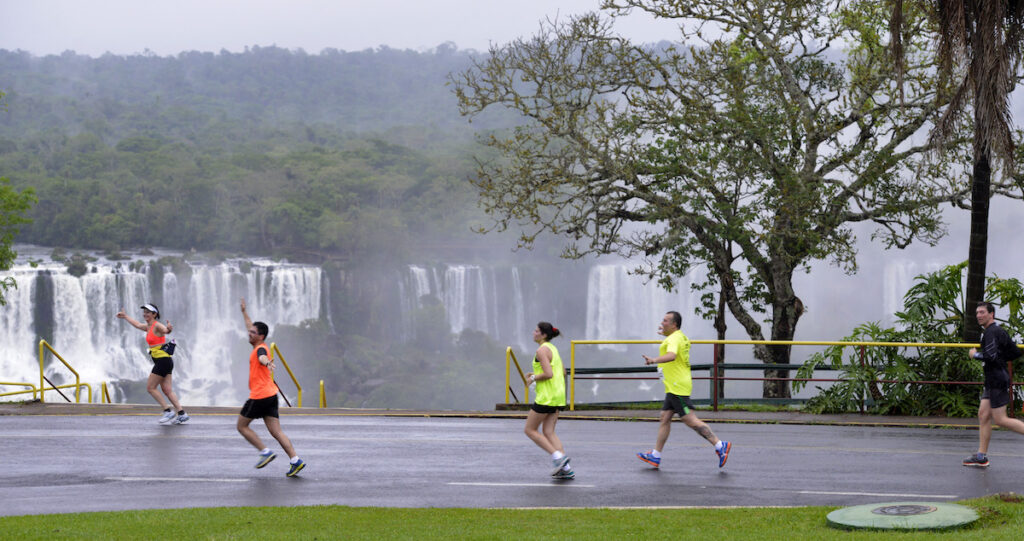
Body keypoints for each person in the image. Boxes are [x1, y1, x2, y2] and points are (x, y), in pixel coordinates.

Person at [637, 311, 731, 469]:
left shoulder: (674, 339)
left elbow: (672, 355)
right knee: (665, 417)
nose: (662, 323)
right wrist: (666, 336)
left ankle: (720, 445)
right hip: (675, 384)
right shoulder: (679, 336)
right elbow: (675, 349)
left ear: (674, 324)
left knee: (689, 419)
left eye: (666, 321)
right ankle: (655, 455)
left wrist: (654, 360)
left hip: (677, 386)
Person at [237, 298, 306, 477]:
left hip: (259, 396)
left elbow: (262, 357)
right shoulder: (258, 343)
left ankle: (265, 452)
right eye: (250, 331)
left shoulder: (261, 349)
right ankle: (295, 460)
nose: (249, 334)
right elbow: (249, 325)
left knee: (242, 426)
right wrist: (244, 312)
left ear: (261, 336)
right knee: (276, 431)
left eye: (253, 333)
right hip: (271, 395)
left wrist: (267, 362)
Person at [963, 301, 1024, 467]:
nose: (978, 315)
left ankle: (982, 455)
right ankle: (981, 456)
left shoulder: (991, 332)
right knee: (983, 415)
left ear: (991, 314)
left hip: (997, 379)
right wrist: (1000, 359)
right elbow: (1014, 352)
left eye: (982, 312)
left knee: (1001, 420)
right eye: (977, 313)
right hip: (993, 379)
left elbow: (990, 356)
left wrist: (975, 355)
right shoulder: (996, 331)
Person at [116, 303, 189, 424]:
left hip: (163, 361)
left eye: (148, 312)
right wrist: (125, 316)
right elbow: (137, 325)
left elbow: (165, 330)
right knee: (167, 390)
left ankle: (167, 411)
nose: (145, 314)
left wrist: (169, 329)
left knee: (150, 388)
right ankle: (182, 413)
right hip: (165, 361)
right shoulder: (148, 327)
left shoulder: (157, 325)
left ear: (154, 314)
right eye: (144, 312)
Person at [524, 321, 574, 480]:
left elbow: (548, 374)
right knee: (548, 431)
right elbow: (563, 372)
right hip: (558, 396)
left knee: (530, 430)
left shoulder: (541, 350)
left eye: (536, 330)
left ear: (543, 335)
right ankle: (565, 468)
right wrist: (536, 373)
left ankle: (557, 457)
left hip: (546, 397)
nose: (533, 332)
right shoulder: (553, 349)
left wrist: (533, 378)